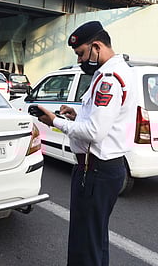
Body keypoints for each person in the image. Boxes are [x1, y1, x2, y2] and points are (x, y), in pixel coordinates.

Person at [35, 21, 137, 265]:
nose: (80, 60)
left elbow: (94, 132)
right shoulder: (119, 71)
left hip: (96, 169)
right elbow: (103, 121)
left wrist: (55, 122)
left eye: (81, 53)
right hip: (103, 167)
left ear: (97, 46)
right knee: (95, 238)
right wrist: (76, 115)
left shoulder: (109, 79)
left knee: (85, 242)